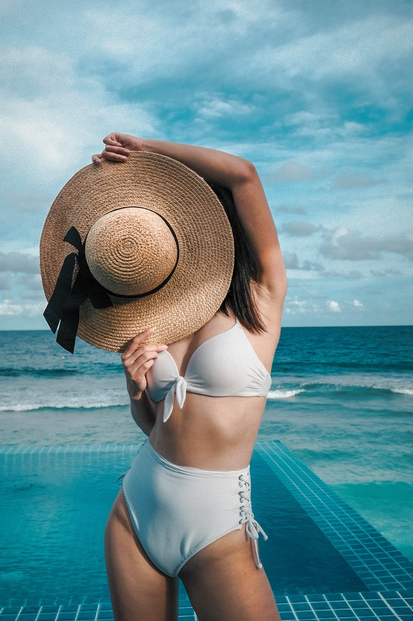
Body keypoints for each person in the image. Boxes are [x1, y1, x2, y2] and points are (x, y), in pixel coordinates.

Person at [91, 133, 287, 621]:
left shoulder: (263, 294)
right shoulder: (153, 308)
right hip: (134, 513)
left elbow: (244, 174)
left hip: (218, 528)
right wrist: (134, 387)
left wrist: (144, 152)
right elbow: (155, 424)